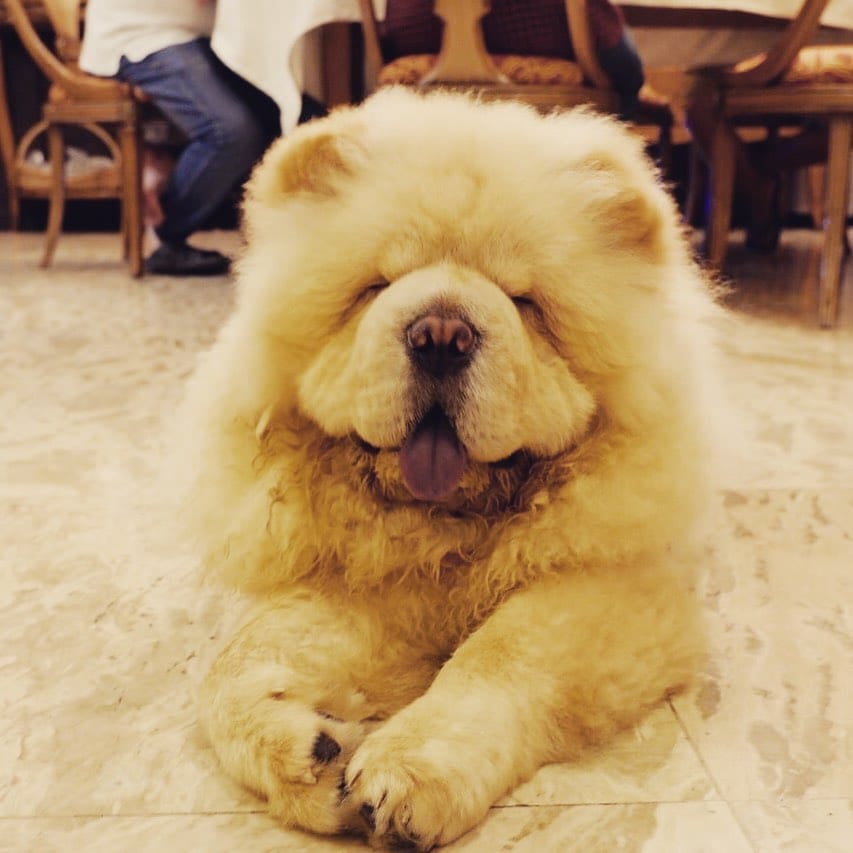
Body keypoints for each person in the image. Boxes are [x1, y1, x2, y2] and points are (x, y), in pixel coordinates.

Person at [80, 0, 280, 276]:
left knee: (298, 114)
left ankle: (295, 235)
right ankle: (163, 233)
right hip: (143, 36)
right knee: (229, 132)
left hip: (202, 38)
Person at [378, 0, 656, 120]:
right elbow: (617, 54)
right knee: (625, 78)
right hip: (543, 45)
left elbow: (391, 33)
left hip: (418, 48)